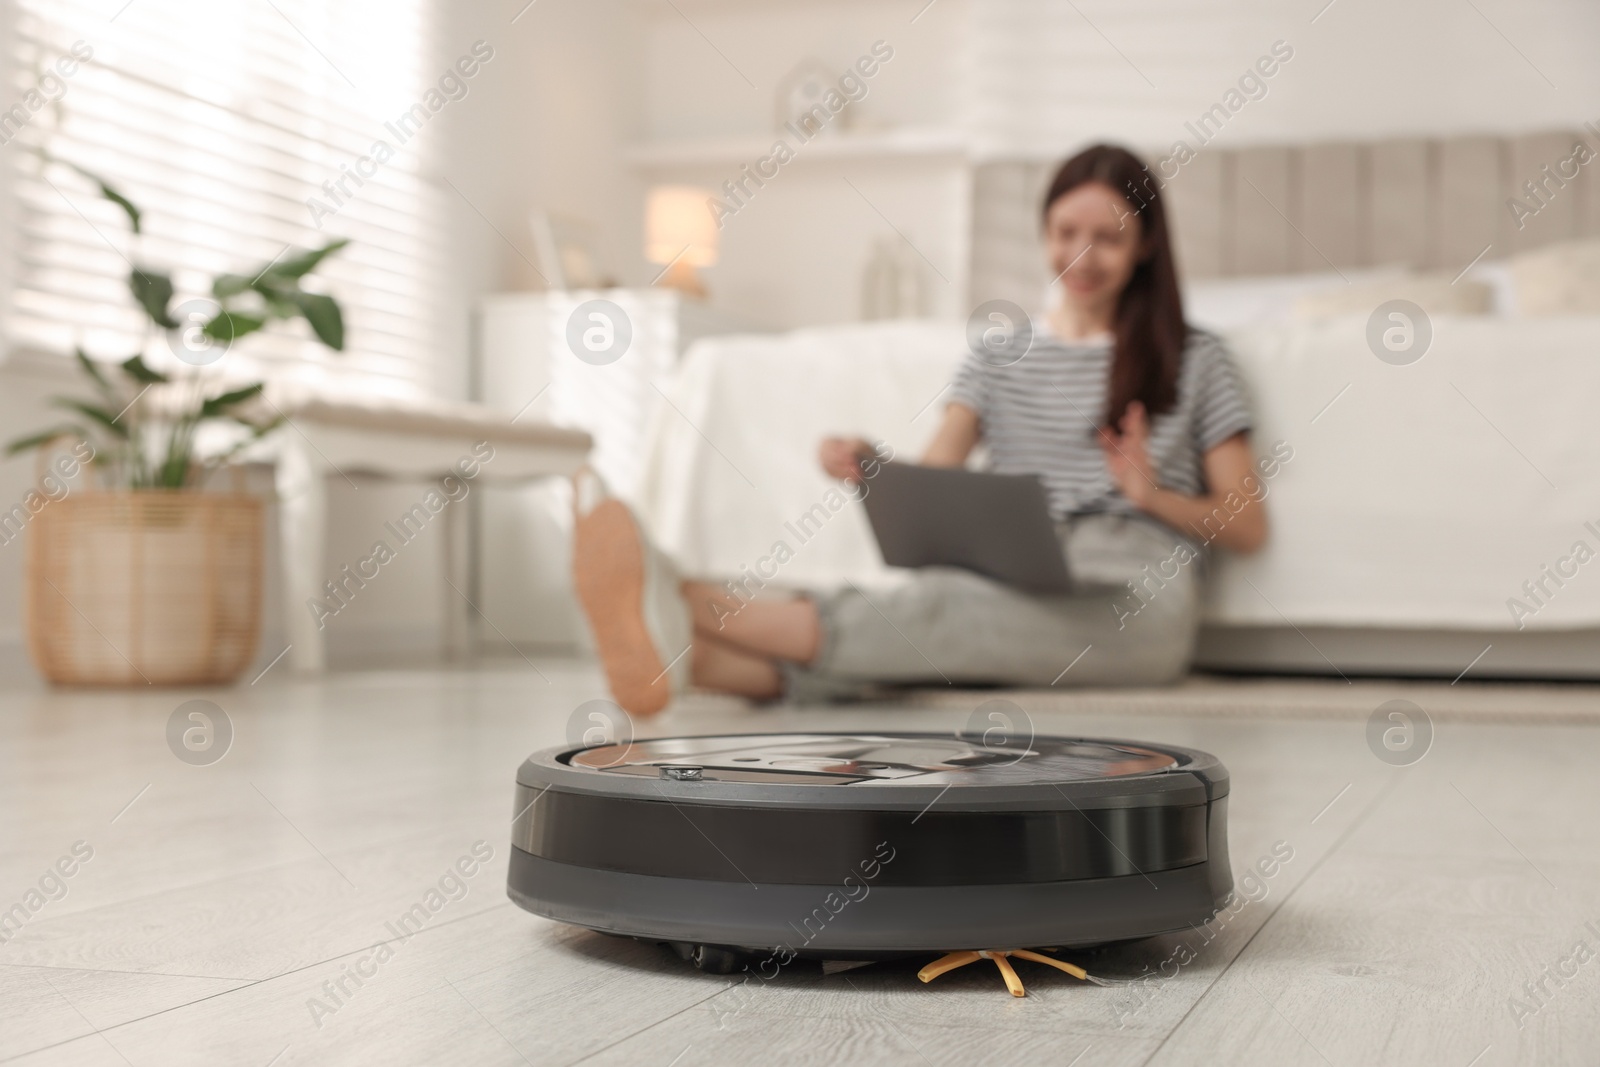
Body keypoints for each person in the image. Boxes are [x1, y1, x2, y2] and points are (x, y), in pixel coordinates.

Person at [573, 144, 1268, 716]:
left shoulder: (1198, 358)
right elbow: (937, 477)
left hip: (1137, 596)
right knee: (930, 635)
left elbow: (1247, 525)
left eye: (1108, 237)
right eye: (1065, 233)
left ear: (1146, 243)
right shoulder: (1000, 352)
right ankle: (676, 654)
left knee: (939, 614)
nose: (1083, 255)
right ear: (1043, 234)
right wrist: (871, 465)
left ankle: (685, 599)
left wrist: (1151, 496)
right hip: (1023, 570)